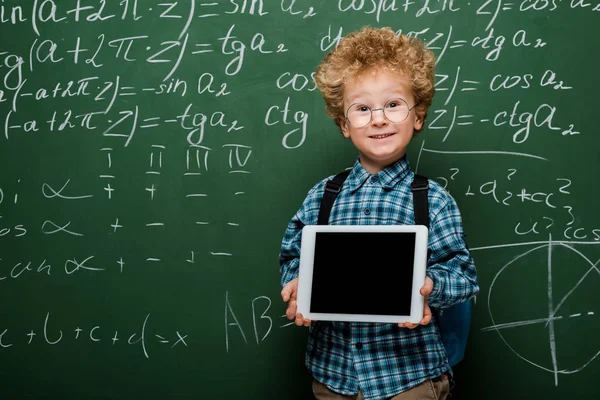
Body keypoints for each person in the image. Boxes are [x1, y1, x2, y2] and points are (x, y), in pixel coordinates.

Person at [279, 26, 479, 400]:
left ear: (417, 116)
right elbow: (294, 255)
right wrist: (296, 286)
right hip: (333, 376)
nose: (378, 119)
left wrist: (428, 287)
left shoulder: (432, 200)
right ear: (343, 124)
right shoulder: (323, 196)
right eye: (362, 108)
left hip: (408, 379)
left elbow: (463, 277)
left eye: (393, 104)